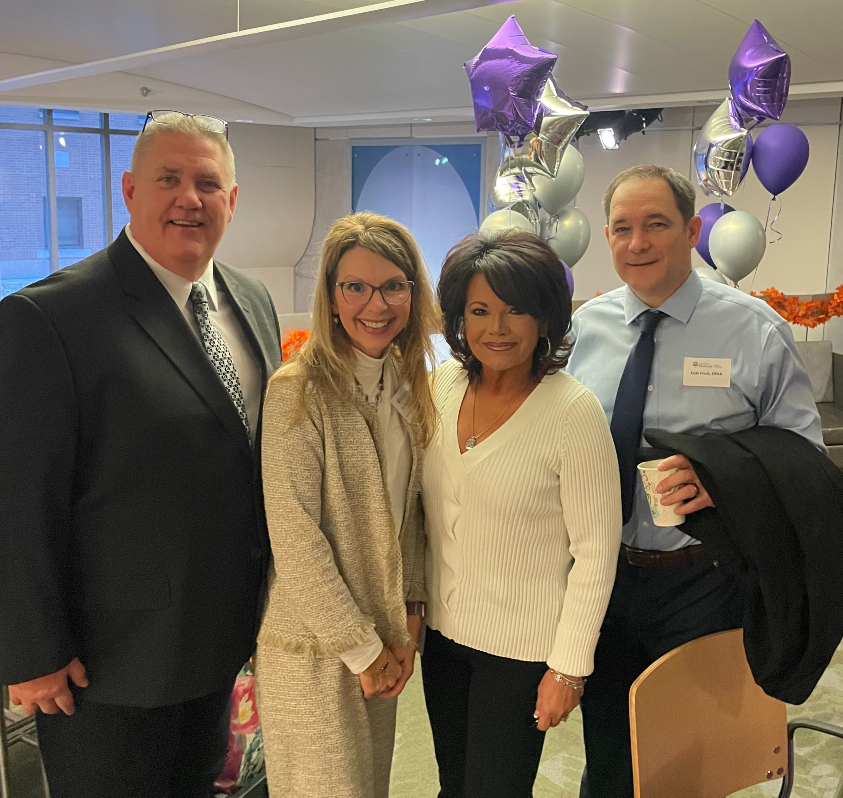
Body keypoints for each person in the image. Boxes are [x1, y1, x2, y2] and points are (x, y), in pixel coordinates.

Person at [0, 111, 283, 798]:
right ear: (129, 190)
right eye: (168, 179)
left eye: (207, 183)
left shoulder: (251, 300)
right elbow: (18, 500)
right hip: (108, 668)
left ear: (233, 200)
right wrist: (32, 652)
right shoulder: (50, 319)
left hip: (217, 647)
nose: (189, 198)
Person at [566, 164, 824, 798]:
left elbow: (804, 456)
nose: (639, 243)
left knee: (692, 755)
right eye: (623, 228)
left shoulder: (753, 329)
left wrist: (725, 481)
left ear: (691, 230)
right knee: (610, 750)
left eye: (656, 224)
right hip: (603, 579)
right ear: (606, 237)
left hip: (707, 581)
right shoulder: (585, 330)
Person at [421, 230, 622, 798]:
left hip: (520, 650)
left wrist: (568, 668)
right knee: (452, 787)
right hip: (444, 637)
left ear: (545, 320)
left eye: (516, 311)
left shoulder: (573, 412)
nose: (497, 329)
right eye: (480, 310)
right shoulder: (443, 385)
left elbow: (595, 554)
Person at [255, 212, 439, 798]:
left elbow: (409, 521)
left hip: (382, 643)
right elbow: (295, 537)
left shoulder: (409, 388)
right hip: (312, 650)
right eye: (354, 286)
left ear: (413, 293)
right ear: (331, 298)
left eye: (392, 286)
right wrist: (363, 650)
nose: (375, 304)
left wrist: (409, 620)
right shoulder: (299, 389)